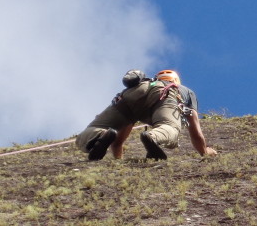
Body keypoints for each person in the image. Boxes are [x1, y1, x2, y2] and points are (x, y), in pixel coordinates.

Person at [76, 69, 218, 161]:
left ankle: (98, 135)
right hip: (164, 94)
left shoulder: (147, 83)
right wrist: (205, 151)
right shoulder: (184, 90)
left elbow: (119, 139)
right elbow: (195, 129)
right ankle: (152, 137)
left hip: (130, 94)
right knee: (170, 127)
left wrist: (118, 160)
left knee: (95, 128)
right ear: (176, 81)